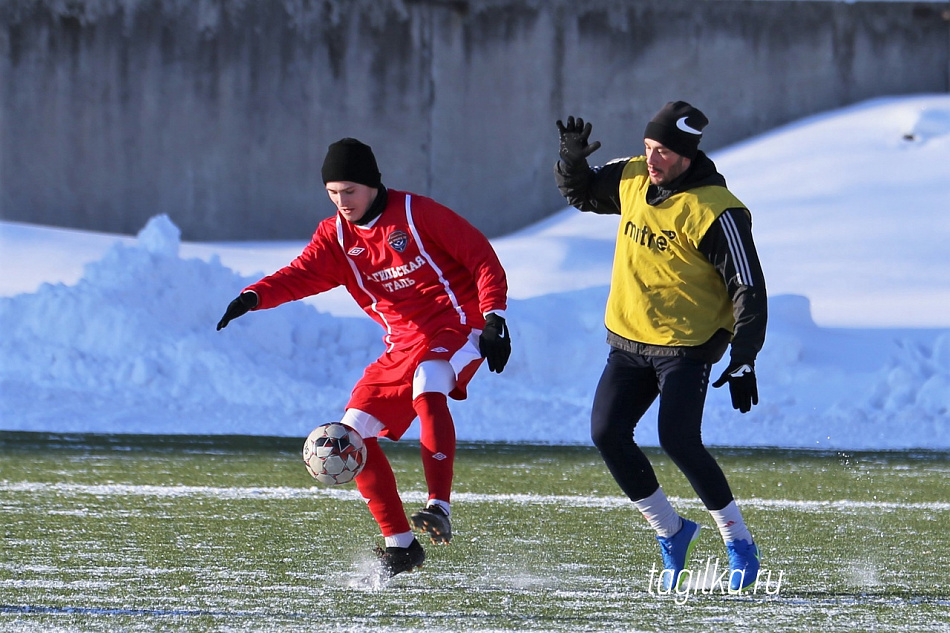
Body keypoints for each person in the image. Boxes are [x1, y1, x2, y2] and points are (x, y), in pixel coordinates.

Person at [217, 138, 511, 578]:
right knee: (351, 434)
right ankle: (401, 546)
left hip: (457, 322)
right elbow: (300, 274)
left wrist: (494, 317)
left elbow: (481, 256)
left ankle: (439, 506)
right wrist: (255, 296)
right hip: (401, 344)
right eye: (333, 193)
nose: (342, 202)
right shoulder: (335, 236)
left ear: (373, 184)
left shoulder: (417, 213)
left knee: (430, 379)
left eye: (349, 191)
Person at [553, 102, 767, 593]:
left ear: (688, 155)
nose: (653, 158)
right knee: (607, 433)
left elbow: (748, 288)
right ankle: (671, 531)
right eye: (650, 146)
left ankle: (738, 539)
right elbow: (582, 194)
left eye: (665, 151)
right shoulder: (632, 175)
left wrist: (744, 356)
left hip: (686, 346)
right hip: (629, 338)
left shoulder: (717, 210)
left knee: (678, 439)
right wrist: (572, 162)